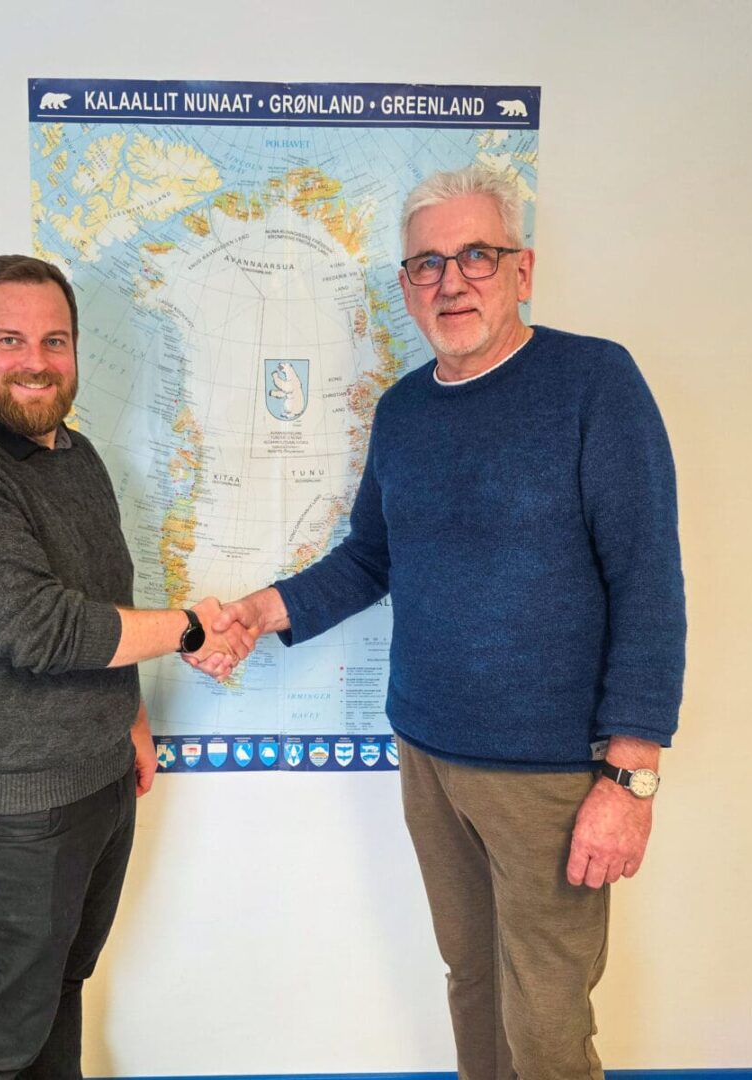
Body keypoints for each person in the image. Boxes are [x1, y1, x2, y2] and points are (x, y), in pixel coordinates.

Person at [207, 166, 686, 1080]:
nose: (451, 281)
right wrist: (262, 612)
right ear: (406, 286)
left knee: (547, 1023)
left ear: (522, 269)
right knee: (472, 985)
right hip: (427, 756)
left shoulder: (595, 383)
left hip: (549, 776)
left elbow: (649, 584)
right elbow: (370, 558)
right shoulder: (403, 412)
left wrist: (631, 780)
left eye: (476, 255)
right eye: (427, 263)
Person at [0, 254, 249, 1080]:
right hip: (12, 813)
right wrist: (194, 628)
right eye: (10, 339)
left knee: (59, 994)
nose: (36, 361)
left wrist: (131, 718)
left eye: (54, 340)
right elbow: (42, 628)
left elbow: (105, 596)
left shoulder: (76, 457)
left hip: (100, 784)